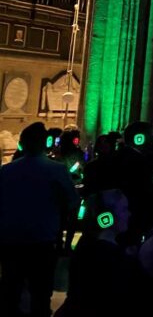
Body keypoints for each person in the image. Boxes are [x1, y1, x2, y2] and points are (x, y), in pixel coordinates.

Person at [0, 122, 79, 317]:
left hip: (11, 239)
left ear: (22, 143)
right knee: (41, 294)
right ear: (44, 143)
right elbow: (72, 202)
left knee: (10, 292)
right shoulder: (57, 170)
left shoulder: (7, 171)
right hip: (42, 240)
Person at [56, 190, 140, 317]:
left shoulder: (87, 243)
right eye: (124, 209)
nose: (129, 214)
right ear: (106, 218)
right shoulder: (108, 255)